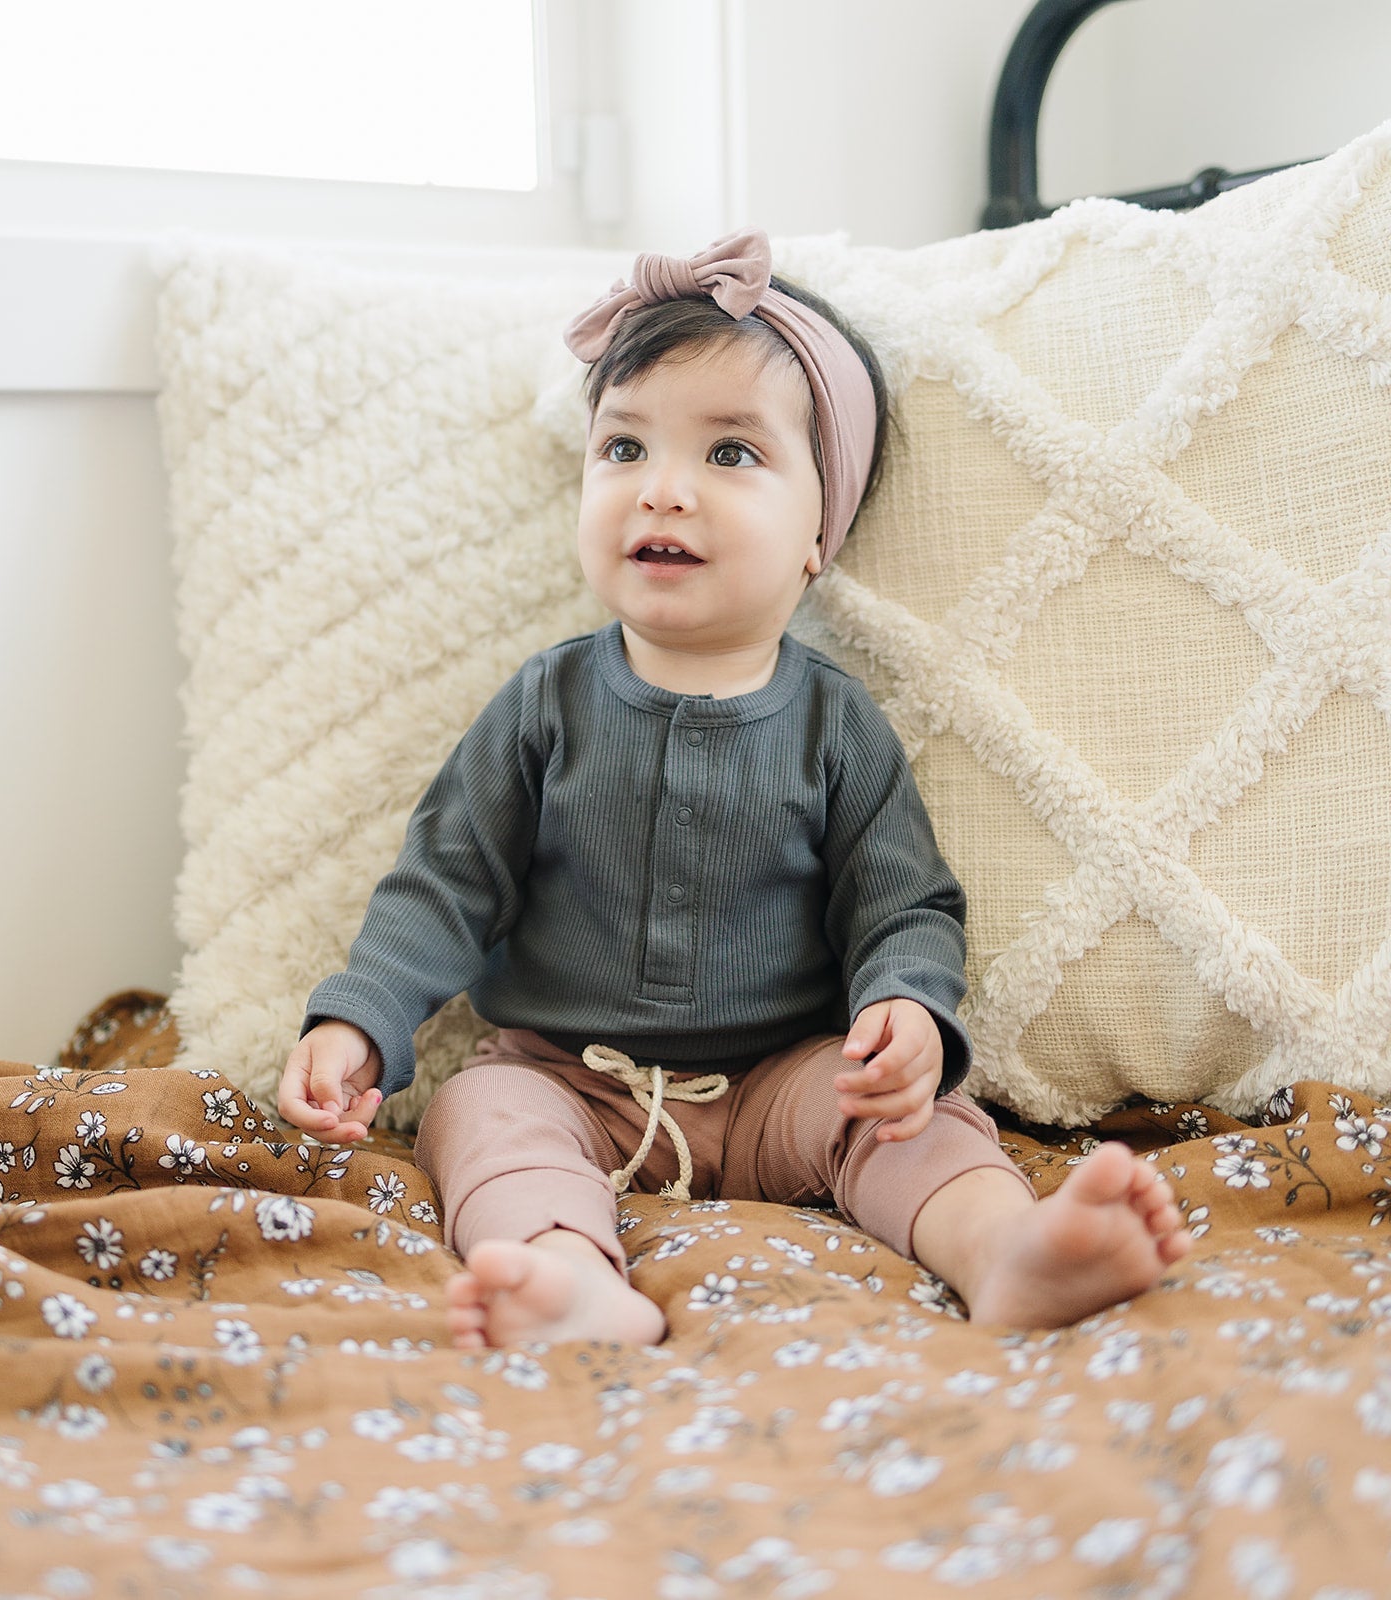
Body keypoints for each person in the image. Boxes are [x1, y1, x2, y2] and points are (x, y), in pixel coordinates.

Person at [278, 230, 1192, 1348]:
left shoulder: (834, 723)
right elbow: (442, 885)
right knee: (476, 1111)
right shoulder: (543, 705)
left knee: (918, 1120)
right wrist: (360, 1019)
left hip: (784, 1083)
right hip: (574, 1081)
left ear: (819, 533)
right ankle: (568, 1277)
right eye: (623, 449)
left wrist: (903, 1011)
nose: (663, 490)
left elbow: (900, 901)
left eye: (728, 456)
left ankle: (1004, 1249)